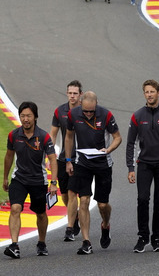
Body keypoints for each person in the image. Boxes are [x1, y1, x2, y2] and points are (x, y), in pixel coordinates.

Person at [65, 91, 122, 254]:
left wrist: (109, 149)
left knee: (102, 204)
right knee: (83, 200)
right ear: (81, 105)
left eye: (92, 111)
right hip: (82, 162)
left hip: (103, 163)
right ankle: (86, 241)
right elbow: (69, 137)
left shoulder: (106, 115)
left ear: (96, 105)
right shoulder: (73, 114)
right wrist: (68, 160)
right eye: (86, 111)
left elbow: (117, 137)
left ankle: (105, 225)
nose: (89, 114)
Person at [126, 80, 159, 253]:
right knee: (142, 199)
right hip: (144, 164)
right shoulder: (137, 116)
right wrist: (130, 168)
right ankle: (143, 237)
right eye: (146, 92)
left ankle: (156, 238)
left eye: (152, 92)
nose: (149, 95)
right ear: (144, 94)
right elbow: (130, 143)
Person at [3, 101, 58, 259]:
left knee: (40, 213)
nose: (25, 119)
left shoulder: (43, 136)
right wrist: (5, 178)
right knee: (15, 208)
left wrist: (53, 182)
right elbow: (8, 157)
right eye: (22, 116)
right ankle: (14, 245)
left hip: (38, 181)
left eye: (28, 116)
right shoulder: (13, 135)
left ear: (35, 117)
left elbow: (53, 160)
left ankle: (41, 243)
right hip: (19, 179)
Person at [50, 80, 83, 242]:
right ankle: (75, 216)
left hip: (80, 159)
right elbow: (53, 135)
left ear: (80, 95)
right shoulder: (60, 111)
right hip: (63, 157)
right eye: (70, 93)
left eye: (75, 93)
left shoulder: (86, 110)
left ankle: (69, 228)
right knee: (64, 194)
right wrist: (49, 156)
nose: (72, 96)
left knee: (72, 192)